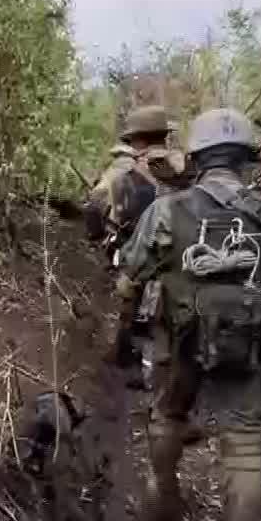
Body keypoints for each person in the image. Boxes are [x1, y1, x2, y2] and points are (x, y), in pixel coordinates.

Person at [115, 107, 261, 521]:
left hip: (182, 346)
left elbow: (131, 271)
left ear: (195, 156)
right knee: (243, 448)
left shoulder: (168, 211)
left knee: (168, 416)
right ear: (247, 158)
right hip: (247, 350)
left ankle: (163, 503)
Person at [86, 106, 181, 376]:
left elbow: (94, 207)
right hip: (192, 268)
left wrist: (101, 239)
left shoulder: (123, 176)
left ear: (136, 140)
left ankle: (135, 366)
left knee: (132, 310)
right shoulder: (191, 168)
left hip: (142, 263)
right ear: (164, 135)